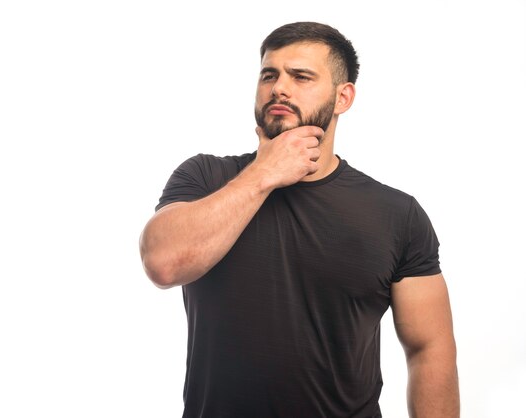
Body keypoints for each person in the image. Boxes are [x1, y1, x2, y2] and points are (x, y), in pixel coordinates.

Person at [139, 21, 459, 418]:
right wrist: (263, 173)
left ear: (343, 97)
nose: (279, 88)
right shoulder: (204, 178)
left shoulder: (397, 214)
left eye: (301, 76)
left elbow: (429, 350)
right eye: (269, 75)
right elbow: (163, 264)